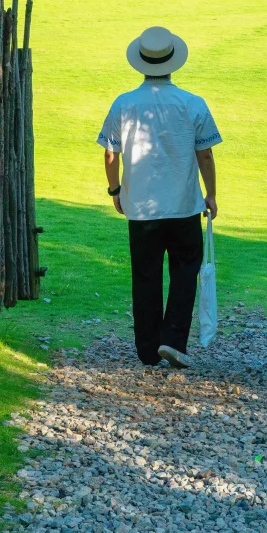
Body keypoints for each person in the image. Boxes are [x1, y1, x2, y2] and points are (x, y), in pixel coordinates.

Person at [96, 25, 221, 369]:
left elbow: (110, 154)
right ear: (172, 63)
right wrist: (210, 194)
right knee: (184, 271)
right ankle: (173, 339)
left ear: (141, 62)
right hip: (183, 206)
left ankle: (148, 349)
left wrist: (115, 189)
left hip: (140, 208)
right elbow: (205, 155)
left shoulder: (123, 104)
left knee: (146, 275)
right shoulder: (193, 104)